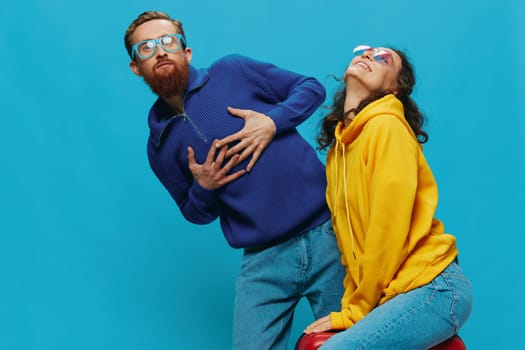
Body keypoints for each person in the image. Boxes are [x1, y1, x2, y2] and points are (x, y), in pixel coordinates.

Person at [124, 11, 345, 350]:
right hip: (263, 259)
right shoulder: (159, 148)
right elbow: (194, 212)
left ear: (187, 52)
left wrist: (272, 122)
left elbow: (310, 88)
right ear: (136, 67)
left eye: (168, 41)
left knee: (358, 341)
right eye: (146, 48)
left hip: (328, 234)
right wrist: (204, 187)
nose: (160, 51)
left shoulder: (233, 70)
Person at [304, 45, 472, 349]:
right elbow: (349, 247)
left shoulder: (387, 126)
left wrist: (356, 311)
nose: (367, 55)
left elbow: (387, 231)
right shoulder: (339, 151)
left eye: (382, 57)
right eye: (363, 51)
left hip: (434, 288)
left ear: (395, 88)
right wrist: (350, 306)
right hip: (395, 294)